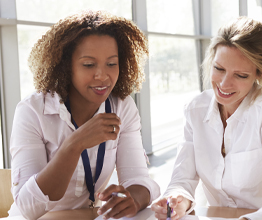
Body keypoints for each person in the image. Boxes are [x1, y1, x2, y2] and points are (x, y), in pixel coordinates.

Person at [9, 10, 160, 220]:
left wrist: (132, 199)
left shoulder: (122, 107)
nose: (102, 75)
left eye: (111, 64)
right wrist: (75, 144)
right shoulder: (32, 111)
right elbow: (27, 208)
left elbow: (139, 179)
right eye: (89, 64)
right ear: (65, 65)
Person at [151, 16, 262, 220]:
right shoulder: (196, 109)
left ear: (258, 72)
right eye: (219, 69)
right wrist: (177, 201)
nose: (224, 84)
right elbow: (182, 180)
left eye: (240, 76)